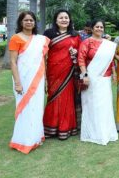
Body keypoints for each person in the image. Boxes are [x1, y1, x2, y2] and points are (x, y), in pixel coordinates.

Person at [9, 11, 50, 154]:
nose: (29, 22)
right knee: (24, 108)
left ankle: (35, 138)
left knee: (37, 108)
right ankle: (23, 140)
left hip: (38, 79)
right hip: (22, 79)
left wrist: (44, 81)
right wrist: (17, 83)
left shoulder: (40, 39)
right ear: (21, 22)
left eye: (31, 20)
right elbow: (13, 62)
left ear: (34, 23)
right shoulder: (16, 38)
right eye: (26, 20)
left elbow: (42, 61)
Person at [42, 9, 81, 140]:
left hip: (69, 71)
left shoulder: (75, 35)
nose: (64, 20)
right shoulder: (48, 34)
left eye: (66, 18)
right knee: (53, 97)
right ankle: (50, 128)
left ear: (70, 20)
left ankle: (66, 128)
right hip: (53, 71)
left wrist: (76, 52)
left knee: (67, 98)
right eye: (61, 17)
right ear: (56, 20)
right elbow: (41, 51)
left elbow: (81, 52)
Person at [78, 20, 118, 145]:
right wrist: (84, 75)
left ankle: (106, 132)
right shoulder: (86, 42)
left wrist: (114, 72)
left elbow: (110, 60)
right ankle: (92, 133)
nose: (99, 29)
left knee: (104, 105)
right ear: (92, 28)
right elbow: (81, 59)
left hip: (105, 78)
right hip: (91, 77)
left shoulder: (108, 44)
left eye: (101, 27)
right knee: (92, 104)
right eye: (97, 26)